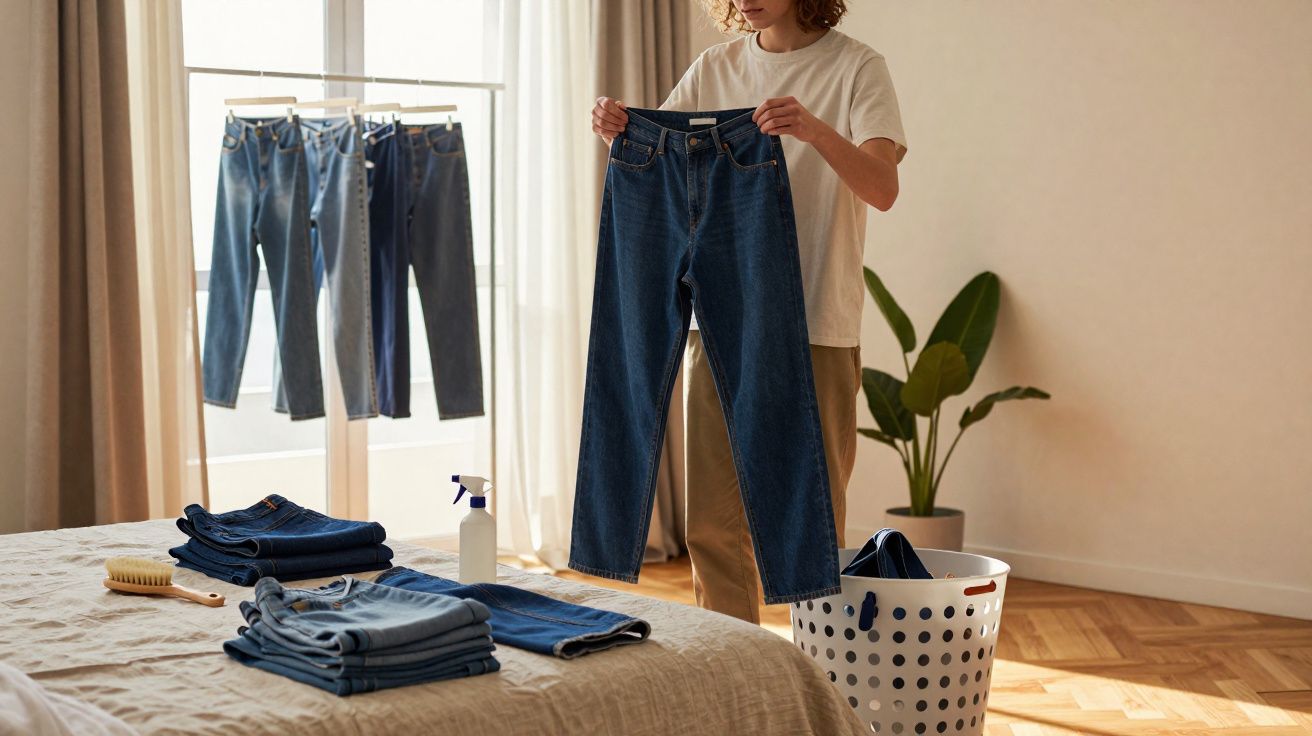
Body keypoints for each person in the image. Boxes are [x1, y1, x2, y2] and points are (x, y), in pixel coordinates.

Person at [589, 0, 907, 623]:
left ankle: (819, 674)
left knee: (808, 518)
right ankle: (731, 669)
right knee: (712, 519)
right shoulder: (715, 66)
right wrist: (619, 131)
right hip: (718, 318)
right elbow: (668, 172)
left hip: (817, 318)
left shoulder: (857, 67)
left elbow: (883, 188)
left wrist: (814, 130)